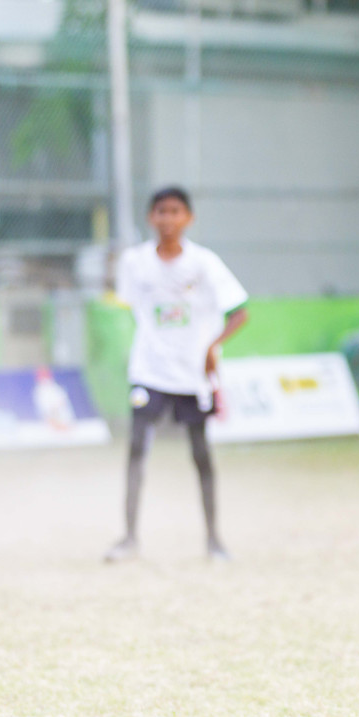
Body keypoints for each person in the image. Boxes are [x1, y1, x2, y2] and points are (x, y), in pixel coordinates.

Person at [105, 187, 249, 564]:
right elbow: (131, 306)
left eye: (175, 211)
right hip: (149, 371)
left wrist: (211, 347)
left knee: (200, 454)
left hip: (192, 375)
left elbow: (240, 313)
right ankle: (129, 539)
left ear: (189, 218)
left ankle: (214, 540)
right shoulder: (135, 262)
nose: (167, 219)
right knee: (137, 449)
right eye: (161, 211)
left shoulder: (204, 263)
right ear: (150, 217)